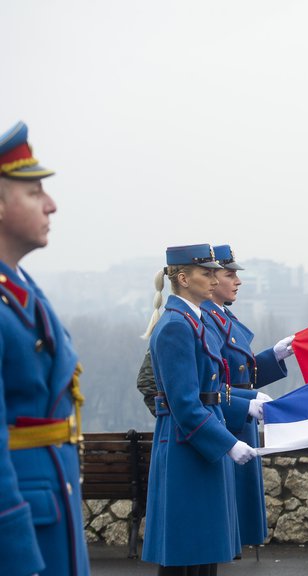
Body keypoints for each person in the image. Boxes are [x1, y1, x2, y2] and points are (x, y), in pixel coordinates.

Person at [0, 121, 89, 576]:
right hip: (22, 522)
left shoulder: (20, 288)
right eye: (34, 193)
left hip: (52, 502)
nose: (51, 204)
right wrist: (12, 548)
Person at [141, 244, 257, 575]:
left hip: (201, 441)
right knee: (186, 552)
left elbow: (212, 392)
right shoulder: (177, 325)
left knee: (203, 550)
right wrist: (228, 443)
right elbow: (186, 404)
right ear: (182, 278)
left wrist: (245, 407)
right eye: (205, 273)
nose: (213, 277)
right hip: (188, 445)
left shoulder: (193, 321)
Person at [201, 245, 294, 551]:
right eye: (230, 275)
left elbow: (242, 373)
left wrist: (273, 356)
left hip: (239, 420)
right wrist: (247, 402)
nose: (237, 282)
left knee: (237, 521)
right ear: (212, 280)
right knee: (225, 521)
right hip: (226, 421)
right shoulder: (203, 320)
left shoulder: (222, 317)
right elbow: (206, 384)